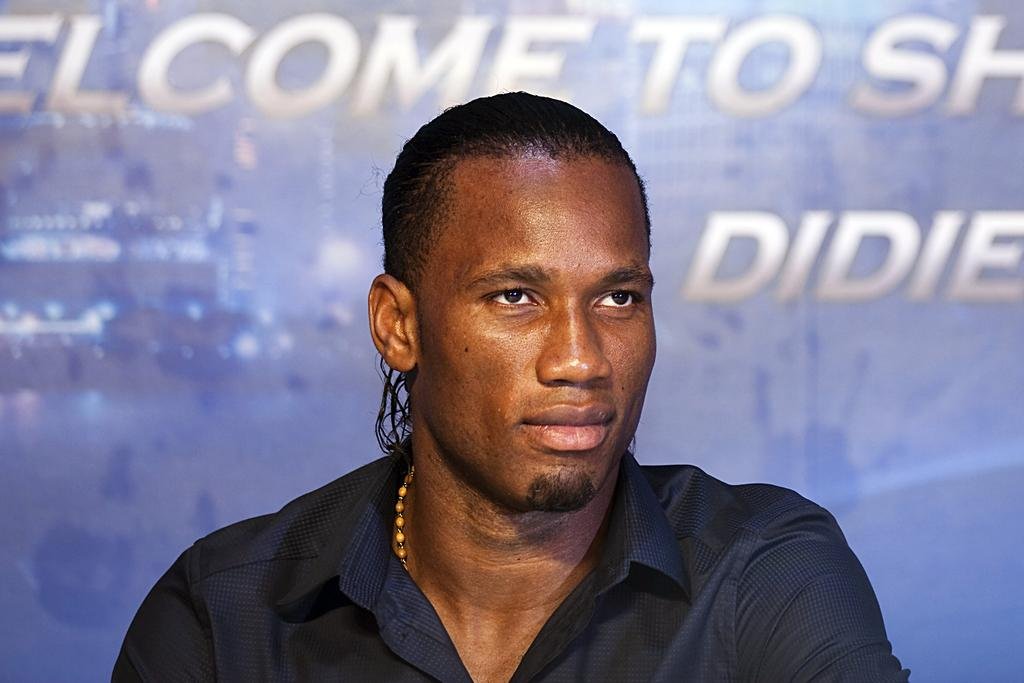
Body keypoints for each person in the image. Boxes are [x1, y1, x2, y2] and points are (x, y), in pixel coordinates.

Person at [114, 92, 908, 682]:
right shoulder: (226, 615)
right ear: (398, 324)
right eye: (516, 297)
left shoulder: (765, 574)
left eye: (618, 297)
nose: (581, 360)